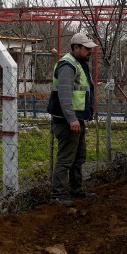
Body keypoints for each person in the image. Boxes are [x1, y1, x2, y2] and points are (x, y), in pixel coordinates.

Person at [47, 32, 98, 206]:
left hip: (76, 120)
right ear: (76, 47)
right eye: (86, 48)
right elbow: (64, 94)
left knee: (78, 158)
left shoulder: (78, 63)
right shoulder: (67, 65)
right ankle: (58, 195)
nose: (89, 51)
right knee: (66, 159)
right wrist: (71, 119)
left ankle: (76, 191)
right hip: (67, 122)